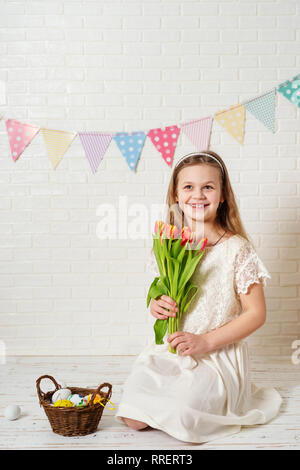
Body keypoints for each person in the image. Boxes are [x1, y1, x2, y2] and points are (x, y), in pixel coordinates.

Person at [114, 150, 282, 443]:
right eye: (188, 187)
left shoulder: (236, 249)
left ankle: (190, 396)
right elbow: (162, 291)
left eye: (208, 186)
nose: (198, 195)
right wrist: (156, 305)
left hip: (216, 354)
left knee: (183, 419)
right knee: (133, 417)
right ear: (176, 196)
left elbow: (257, 314)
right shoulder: (170, 243)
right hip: (175, 349)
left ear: (222, 195)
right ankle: (172, 390)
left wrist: (205, 341)